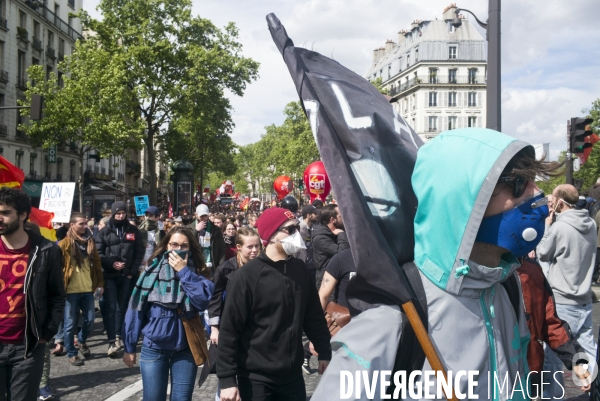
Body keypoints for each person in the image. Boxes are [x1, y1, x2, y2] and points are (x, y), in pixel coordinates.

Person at [311, 130, 592, 399]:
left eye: (533, 180)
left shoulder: (507, 285)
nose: (537, 193)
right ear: (463, 199)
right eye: (519, 182)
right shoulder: (395, 315)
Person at [218, 208, 331, 401]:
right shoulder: (246, 276)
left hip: (293, 377)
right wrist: (227, 380)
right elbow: (229, 330)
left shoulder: (300, 270)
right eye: (290, 229)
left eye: (297, 228)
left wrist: (324, 351)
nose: (297, 234)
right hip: (256, 379)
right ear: (271, 235)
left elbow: (313, 316)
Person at [122, 226, 214, 401]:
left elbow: (202, 300)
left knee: (182, 399)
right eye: (174, 245)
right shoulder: (150, 273)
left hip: (185, 347)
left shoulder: (199, 272)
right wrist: (130, 346)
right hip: (154, 347)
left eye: (184, 246)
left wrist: (184, 272)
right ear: (166, 246)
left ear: (190, 248)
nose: (178, 250)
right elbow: (135, 310)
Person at [0, 187, 65, 401]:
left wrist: (47, 333)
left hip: (27, 346)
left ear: (22, 215)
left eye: (5, 212)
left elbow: (57, 295)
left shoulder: (47, 250)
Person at [538, 185, 598, 364]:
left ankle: (554, 393)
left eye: (554, 200)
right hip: (585, 297)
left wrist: (547, 228)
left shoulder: (560, 227)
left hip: (563, 298)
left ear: (560, 202)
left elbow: (543, 253)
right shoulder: (591, 223)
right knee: (588, 347)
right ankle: (593, 389)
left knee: (556, 354)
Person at [96, 201, 145, 357]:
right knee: (111, 307)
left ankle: (118, 335)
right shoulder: (104, 232)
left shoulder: (133, 230)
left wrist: (131, 271)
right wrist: (112, 263)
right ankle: (111, 341)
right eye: (118, 213)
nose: (121, 215)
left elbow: (139, 252)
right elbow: (98, 253)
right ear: (113, 213)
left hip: (126, 275)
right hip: (109, 275)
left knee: (121, 307)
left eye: (123, 213)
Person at [57, 212, 104, 366]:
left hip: (87, 288)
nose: (85, 226)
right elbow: (57, 267)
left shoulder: (90, 242)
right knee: (69, 324)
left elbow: (97, 265)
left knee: (90, 319)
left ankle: (82, 340)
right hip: (70, 290)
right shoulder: (64, 244)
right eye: (81, 224)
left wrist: (100, 284)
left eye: (85, 223)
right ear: (72, 225)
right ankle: (72, 352)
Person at [208, 227, 261, 344]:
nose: (254, 250)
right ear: (239, 247)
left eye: (257, 246)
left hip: (254, 325)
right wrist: (214, 328)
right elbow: (215, 296)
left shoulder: (263, 268)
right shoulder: (225, 268)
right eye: (250, 247)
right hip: (229, 321)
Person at [311, 204, 349, 288]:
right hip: (326, 280)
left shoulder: (333, 232)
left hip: (337, 276)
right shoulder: (321, 238)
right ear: (333, 219)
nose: (343, 218)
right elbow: (342, 252)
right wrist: (342, 234)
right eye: (340, 216)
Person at [187, 204, 226, 276]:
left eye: (205, 216)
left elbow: (222, 248)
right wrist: (196, 230)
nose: (204, 218)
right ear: (196, 215)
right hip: (195, 266)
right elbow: (187, 243)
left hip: (211, 267)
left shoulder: (215, 229)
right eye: (201, 216)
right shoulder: (189, 228)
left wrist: (220, 265)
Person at [297, 205, 318, 280]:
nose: (317, 215)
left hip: (313, 264)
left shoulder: (314, 227)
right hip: (304, 265)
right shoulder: (300, 228)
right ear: (309, 215)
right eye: (315, 214)